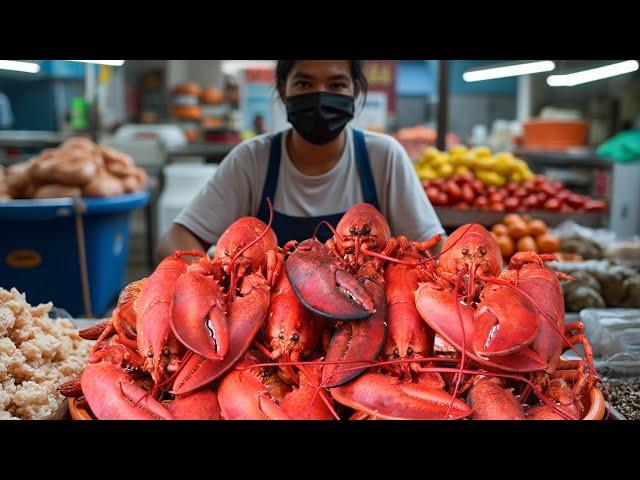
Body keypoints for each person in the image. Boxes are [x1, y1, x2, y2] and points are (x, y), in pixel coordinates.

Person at [157, 60, 446, 259]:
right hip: (270, 334)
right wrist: (201, 283)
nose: (321, 97)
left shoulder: (383, 157)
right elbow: (176, 238)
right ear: (283, 90)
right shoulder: (252, 160)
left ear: (355, 90)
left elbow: (433, 248)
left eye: (336, 85)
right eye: (305, 84)